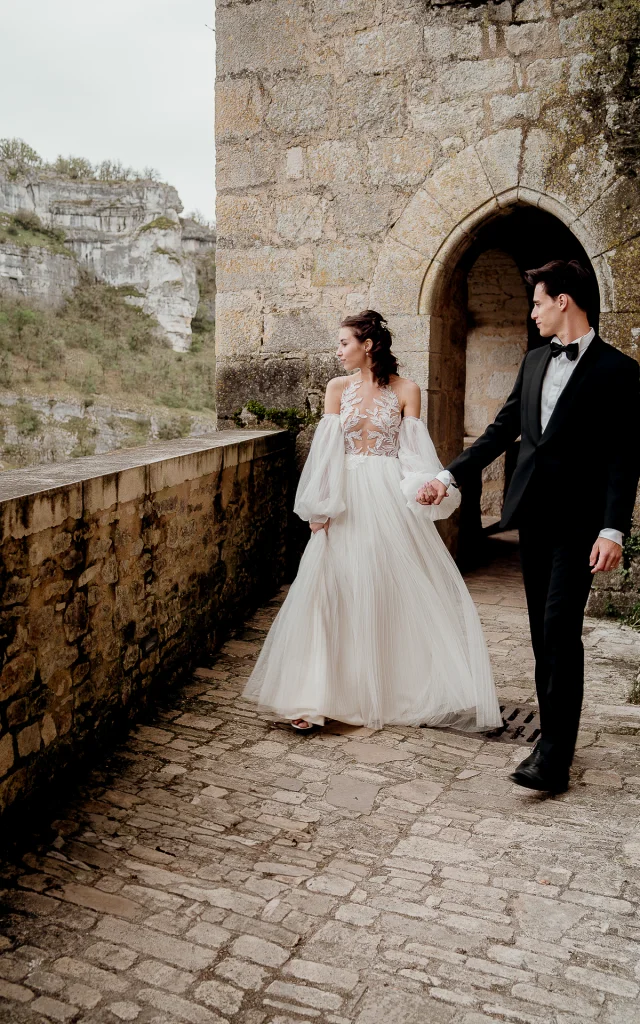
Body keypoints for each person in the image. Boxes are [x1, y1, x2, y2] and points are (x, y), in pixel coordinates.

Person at [423, 260, 640, 793]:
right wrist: (449, 476)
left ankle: (555, 758)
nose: (533, 312)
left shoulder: (620, 371)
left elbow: (622, 456)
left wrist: (613, 529)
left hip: (581, 524)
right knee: (543, 638)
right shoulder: (533, 362)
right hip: (533, 521)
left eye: (539, 302)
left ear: (564, 300)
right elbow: (501, 432)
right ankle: (551, 737)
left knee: (560, 631)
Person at [243, 310, 502, 734]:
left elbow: (413, 454)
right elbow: (326, 454)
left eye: (344, 343)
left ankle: (385, 688)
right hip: (343, 499)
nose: (338, 351)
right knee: (329, 588)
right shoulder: (336, 388)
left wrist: (422, 485)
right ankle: (312, 696)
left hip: (386, 498)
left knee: (382, 586)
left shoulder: (407, 390)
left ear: (368, 345)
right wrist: (319, 507)